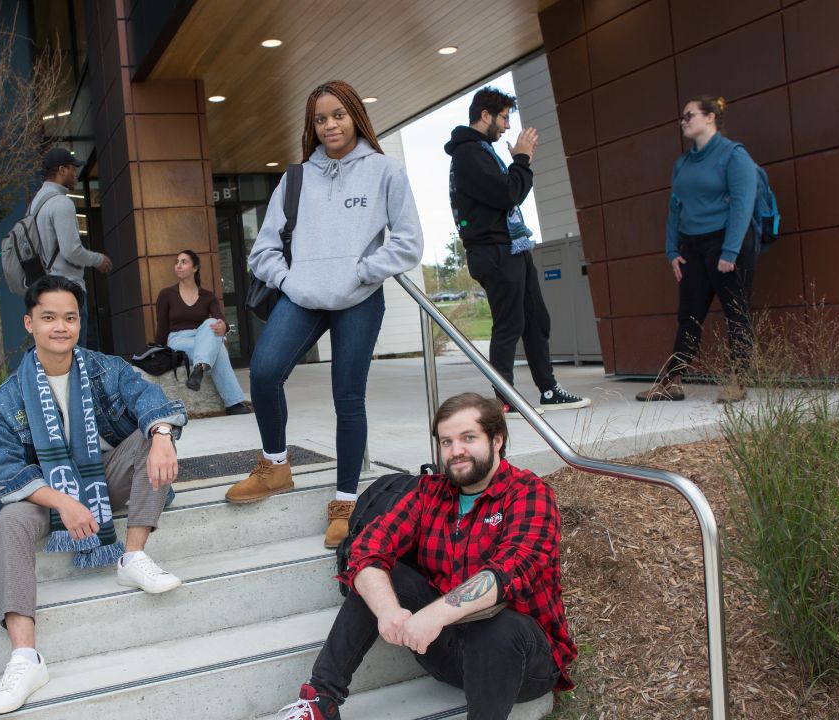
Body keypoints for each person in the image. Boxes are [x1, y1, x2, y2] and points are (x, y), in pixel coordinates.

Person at [273, 392, 576, 720]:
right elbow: (366, 549)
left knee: (497, 625)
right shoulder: (430, 493)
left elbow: (510, 571)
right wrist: (388, 610)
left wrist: (433, 616)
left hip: (521, 665)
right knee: (381, 574)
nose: (455, 451)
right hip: (447, 653)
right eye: (446, 442)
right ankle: (322, 701)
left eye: (468, 438)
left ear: (497, 440)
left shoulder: (528, 493)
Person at [226, 80, 424, 549]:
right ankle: (275, 465)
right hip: (302, 295)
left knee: (347, 398)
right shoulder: (295, 178)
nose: (330, 125)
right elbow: (265, 248)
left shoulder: (384, 172)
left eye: (338, 115)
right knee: (265, 371)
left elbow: (409, 241)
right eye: (320, 119)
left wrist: (363, 271)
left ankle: (345, 499)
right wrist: (290, 281)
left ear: (354, 114)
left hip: (358, 297)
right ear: (311, 127)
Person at [0, 274, 186, 715]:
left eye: (70, 317)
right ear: (29, 323)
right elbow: (3, 470)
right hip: (47, 496)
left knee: (154, 435)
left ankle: (132, 557)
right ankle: (25, 658)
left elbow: (149, 396)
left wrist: (164, 433)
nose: (61, 327)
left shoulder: (102, 368)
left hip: (103, 479)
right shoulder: (6, 399)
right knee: (9, 522)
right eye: (49, 317)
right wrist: (64, 501)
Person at [445, 87, 589, 413]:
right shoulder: (469, 154)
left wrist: (519, 164)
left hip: (512, 247)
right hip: (493, 250)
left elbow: (508, 192)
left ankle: (548, 389)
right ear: (485, 116)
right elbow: (508, 194)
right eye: (504, 118)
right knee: (509, 324)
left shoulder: (482, 150)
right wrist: (521, 160)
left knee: (536, 319)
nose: (508, 127)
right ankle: (504, 401)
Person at [636, 95, 758, 404]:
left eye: (689, 115)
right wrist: (670, 250)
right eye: (682, 117)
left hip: (726, 243)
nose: (683, 121)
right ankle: (672, 381)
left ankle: (738, 379)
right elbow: (675, 208)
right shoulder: (682, 163)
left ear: (710, 118)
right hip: (692, 246)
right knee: (688, 316)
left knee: (736, 313)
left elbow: (743, 204)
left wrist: (729, 252)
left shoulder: (734, 155)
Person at [29, 146, 112, 345]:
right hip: (68, 290)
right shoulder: (61, 203)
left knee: (57, 355)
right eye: (73, 168)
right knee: (76, 355)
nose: (76, 173)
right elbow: (71, 250)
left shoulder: (34, 205)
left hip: (44, 291)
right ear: (61, 169)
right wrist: (98, 259)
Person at [154, 249, 252, 415]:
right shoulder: (166, 295)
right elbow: (162, 326)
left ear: (195, 268)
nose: (178, 266)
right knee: (219, 350)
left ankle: (199, 368)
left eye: (183, 262)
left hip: (203, 337)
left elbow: (220, 321)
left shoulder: (208, 296)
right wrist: (158, 350)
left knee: (211, 323)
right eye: (177, 262)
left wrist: (225, 328)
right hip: (178, 340)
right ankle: (234, 403)